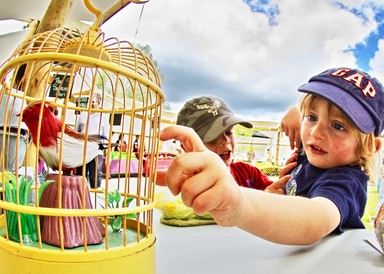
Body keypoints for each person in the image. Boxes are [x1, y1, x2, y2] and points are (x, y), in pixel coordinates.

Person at [159, 67, 384, 245]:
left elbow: (315, 219)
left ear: (370, 148)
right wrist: (295, 112)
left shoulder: (344, 180)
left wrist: (239, 203)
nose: (316, 133)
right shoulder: (317, 153)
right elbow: (301, 120)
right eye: (312, 117)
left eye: (338, 125)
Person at [175, 96, 290, 190]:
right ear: (186, 146)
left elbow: (276, 193)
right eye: (212, 136)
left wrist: (285, 184)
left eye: (229, 132)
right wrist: (265, 199)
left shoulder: (248, 173)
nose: (226, 141)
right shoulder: (187, 185)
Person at [75, 92, 110, 188]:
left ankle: (94, 197)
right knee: (80, 176)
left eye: (93, 102)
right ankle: (80, 199)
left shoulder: (104, 118)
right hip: (82, 150)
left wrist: (106, 151)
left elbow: (106, 136)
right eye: (89, 101)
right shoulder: (82, 115)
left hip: (96, 151)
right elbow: (76, 132)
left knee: (95, 177)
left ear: (99, 103)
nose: (90, 104)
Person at [0, 64, 29, 172]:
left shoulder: (5, 93)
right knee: (10, 172)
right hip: (16, 136)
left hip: (15, 135)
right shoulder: (19, 96)